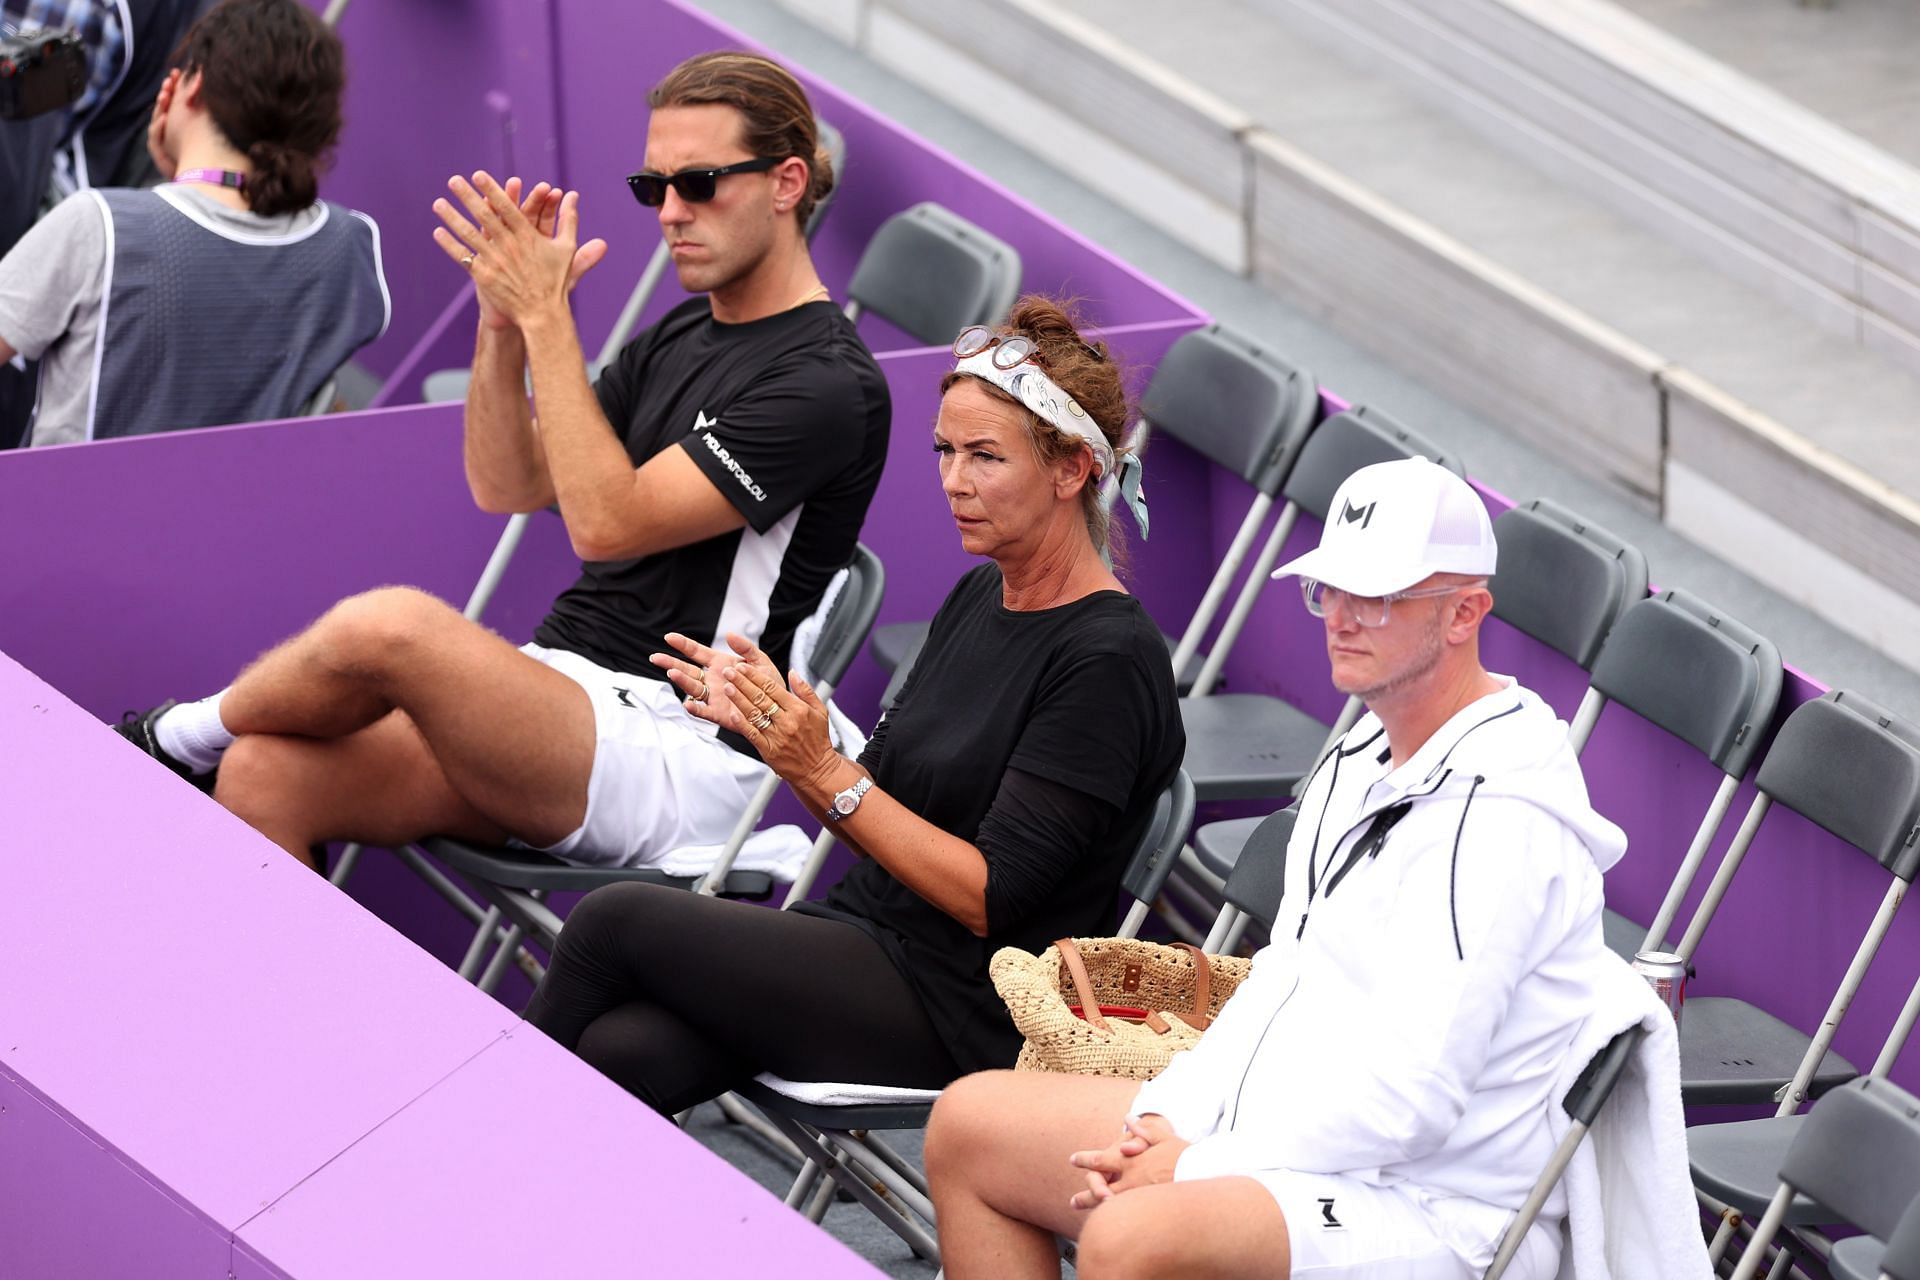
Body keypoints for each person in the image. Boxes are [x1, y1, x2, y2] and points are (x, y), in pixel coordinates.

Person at [111, 51, 891, 879]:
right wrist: (503, 325)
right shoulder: (683, 332)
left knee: (396, 628)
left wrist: (547, 313)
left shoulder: (830, 385)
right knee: (267, 774)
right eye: (651, 187)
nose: (669, 212)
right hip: (565, 698)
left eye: (696, 183)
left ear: (786, 182)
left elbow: (603, 523)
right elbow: (508, 484)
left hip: (683, 745)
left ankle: (164, 741)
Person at [925, 457, 1627, 1280]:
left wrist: (1194, 1162)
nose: (1343, 618)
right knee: (970, 1126)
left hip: (1434, 1206)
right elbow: (1282, 976)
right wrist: (1170, 1119)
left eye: (1380, 596)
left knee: (1131, 1235)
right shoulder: (1361, 749)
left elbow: (1409, 1108)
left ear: (1465, 614)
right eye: (1330, 589)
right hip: (1288, 1139)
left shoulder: (1501, 825)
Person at [519, 296, 1184, 1115]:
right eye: (944, 450)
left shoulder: (1109, 661)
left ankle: (471, 1160)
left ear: (1072, 469)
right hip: (866, 936)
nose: (953, 480)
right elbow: (871, 804)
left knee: (613, 921)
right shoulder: (980, 595)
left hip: (969, 1002)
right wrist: (777, 737)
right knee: (624, 1054)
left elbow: (989, 898)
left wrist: (821, 767)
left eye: (985, 456)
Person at [0, 0, 384, 447]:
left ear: (192, 84)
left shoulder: (97, 228)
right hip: (240, 512)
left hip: (68, 512)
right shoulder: (350, 248)